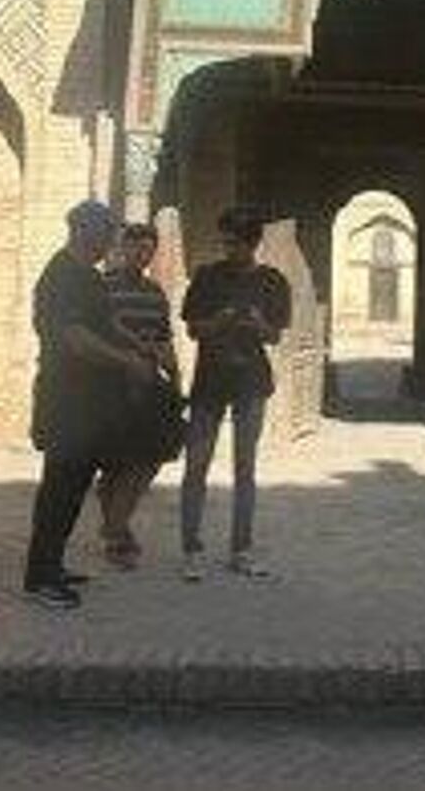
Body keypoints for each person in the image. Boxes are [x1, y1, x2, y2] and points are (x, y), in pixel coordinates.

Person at [23, 199, 134, 608]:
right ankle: (40, 578)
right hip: (65, 399)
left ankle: (53, 564)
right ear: (84, 231)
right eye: (106, 233)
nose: (111, 242)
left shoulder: (89, 276)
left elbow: (105, 323)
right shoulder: (62, 275)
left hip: (90, 402)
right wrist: (125, 361)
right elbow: (75, 339)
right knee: (59, 489)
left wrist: (137, 344)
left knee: (73, 489)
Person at [178, 207, 291, 582]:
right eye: (224, 242)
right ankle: (191, 551)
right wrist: (218, 322)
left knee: (245, 468)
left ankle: (241, 550)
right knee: (196, 466)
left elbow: (275, 336)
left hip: (250, 381)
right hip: (210, 379)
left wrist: (258, 325)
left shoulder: (272, 281)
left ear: (252, 243)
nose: (228, 249)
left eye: (235, 243)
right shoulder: (208, 277)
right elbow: (193, 329)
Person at [91, 221, 181, 570]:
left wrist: (175, 378)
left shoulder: (155, 293)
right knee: (121, 461)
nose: (143, 255)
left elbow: (164, 339)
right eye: (137, 248)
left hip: (147, 385)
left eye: (148, 250)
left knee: (149, 458)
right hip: (110, 386)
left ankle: (115, 525)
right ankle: (117, 533)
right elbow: (98, 334)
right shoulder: (102, 288)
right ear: (122, 248)